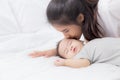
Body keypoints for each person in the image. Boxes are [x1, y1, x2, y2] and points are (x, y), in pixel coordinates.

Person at [29, 0, 120, 57]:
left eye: (66, 30)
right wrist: (57, 52)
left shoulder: (109, 7)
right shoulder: (88, 27)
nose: (66, 36)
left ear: (80, 18)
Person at [54, 38, 120, 68]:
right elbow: (85, 63)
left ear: (79, 40)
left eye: (70, 43)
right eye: (66, 51)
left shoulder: (88, 42)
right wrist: (65, 62)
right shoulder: (80, 55)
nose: (70, 48)